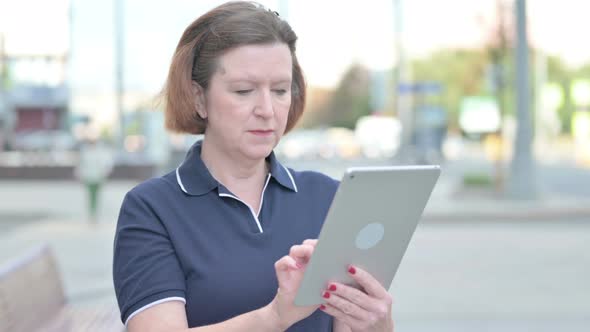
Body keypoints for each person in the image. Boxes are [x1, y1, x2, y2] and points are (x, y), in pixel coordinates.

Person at [112, 2, 394, 331]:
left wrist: (377, 321)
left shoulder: (329, 197)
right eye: (244, 91)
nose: (266, 109)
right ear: (198, 98)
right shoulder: (151, 209)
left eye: (279, 90)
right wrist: (275, 317)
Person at [76, 134, 114, 222]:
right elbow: (81, 164)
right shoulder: (86, 152)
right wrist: (80, 174)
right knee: (91, 196)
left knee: (96, 196)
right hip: (89, 177)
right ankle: (92, 214)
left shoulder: (100, 151)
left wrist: (105, 172)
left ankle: (94, 213)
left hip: (98, 177)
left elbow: (106, 163)